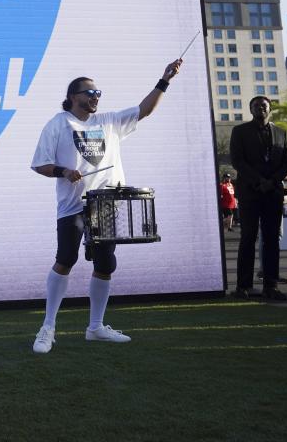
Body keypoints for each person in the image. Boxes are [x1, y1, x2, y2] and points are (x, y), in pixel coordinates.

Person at [30, 59, 182, 354]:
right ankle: (47, 327)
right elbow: (40, 164)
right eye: (90, 92)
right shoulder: (57, 124)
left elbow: (145, 110)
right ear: (73, 96)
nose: (95, 96)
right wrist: (63, 171)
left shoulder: (109, 121)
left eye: (98, 92)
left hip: (105, 203)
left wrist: (165, 79)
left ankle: (95, 327)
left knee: (105, 264)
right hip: (73, 205)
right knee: (66, 258)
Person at [229, 96, 287, 301]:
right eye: (255, 106)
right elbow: (237, 161)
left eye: (263, 105)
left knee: (272, 240)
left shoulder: (282, 133)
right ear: (250, 109)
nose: (260, 108)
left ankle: (270, 285)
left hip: (273, 193)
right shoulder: (239, 132)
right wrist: (259, 181)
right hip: (250, 192)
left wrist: (272, 181)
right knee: (248, 237)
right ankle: (243, 286)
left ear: (270, 108)